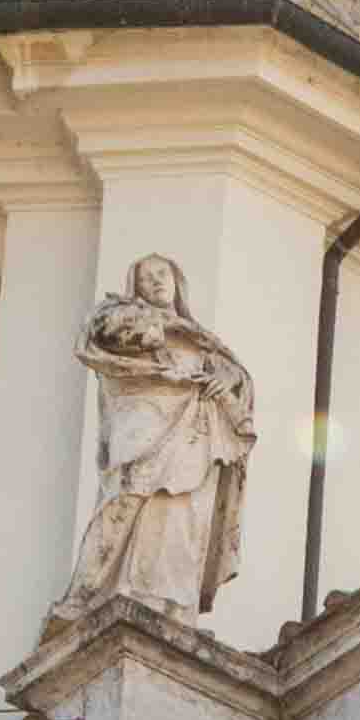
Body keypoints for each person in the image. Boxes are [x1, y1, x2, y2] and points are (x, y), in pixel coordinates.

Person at [61, 254, 255, 619]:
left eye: (162, 274)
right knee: (130, 502)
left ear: (177, 281)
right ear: (134, 288)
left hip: (192, 437)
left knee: (182, 514)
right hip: (143, 428)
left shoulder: (200, 340)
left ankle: (171, 604)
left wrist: (226, 380)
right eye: (146, 278)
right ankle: (111, 588)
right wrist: (160, 331)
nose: (156, 282)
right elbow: (105, 336)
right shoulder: (121, 316)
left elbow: (235, 377)